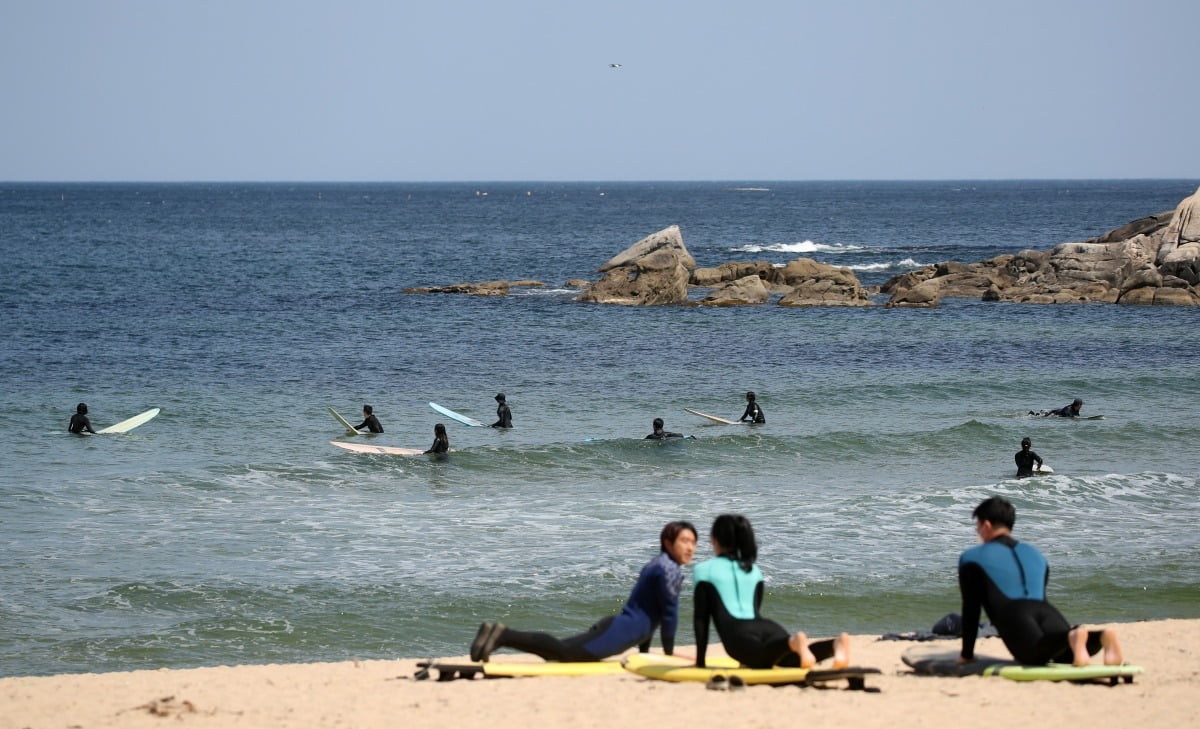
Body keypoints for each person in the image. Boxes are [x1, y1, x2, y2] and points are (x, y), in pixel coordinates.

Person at [469, 521, 698, 662]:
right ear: (668, 543)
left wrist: (644, 653)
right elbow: (668, 614)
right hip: (621, 631)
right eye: (684, 540)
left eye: (693, 542)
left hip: (620, 627)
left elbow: (647, 611)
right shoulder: (669, 570)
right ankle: (503, 635)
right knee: (563, 653)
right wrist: (668, 654)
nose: (690, 547)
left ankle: (497, 635)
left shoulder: (656, 564)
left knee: (559, 652)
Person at [957, 496, 1123, 667]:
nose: (978, 532)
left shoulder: (971, 558)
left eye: (977, 526)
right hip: (1046, 611)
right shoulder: (1036, 554)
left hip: (1014, 614)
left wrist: (967, 655)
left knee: (1034, 655)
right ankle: (1101, 636)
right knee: (1065, 654)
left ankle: (1074, 636)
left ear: (986, 525)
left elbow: (971, 609)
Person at [693, 514, 849, 669]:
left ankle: (794, 642)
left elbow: (701, 620)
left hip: (738, 634)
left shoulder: (704, 570)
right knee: (791, 660)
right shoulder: (753, 570)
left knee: (762, 660)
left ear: (714, 538)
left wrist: (700, 663)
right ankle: (834, 645)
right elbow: (755, 609)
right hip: (767, 627)